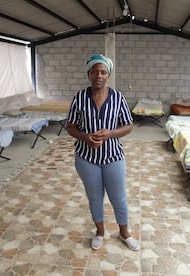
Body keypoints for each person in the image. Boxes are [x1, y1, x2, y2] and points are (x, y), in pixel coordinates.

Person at [66, 54, 139, 251]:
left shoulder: (118, 97)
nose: (99, 75)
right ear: (89, 74)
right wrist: (85, 137)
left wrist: (110, 134)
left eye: (103, 72)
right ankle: (99, 232)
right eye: (94, 71)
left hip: (113, 156)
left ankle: (124, 233)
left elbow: (128, 125)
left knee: (118, 197)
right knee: (95, 197)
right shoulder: (79, 98)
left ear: (108, 75)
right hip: (86, 158)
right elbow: (70, 126)